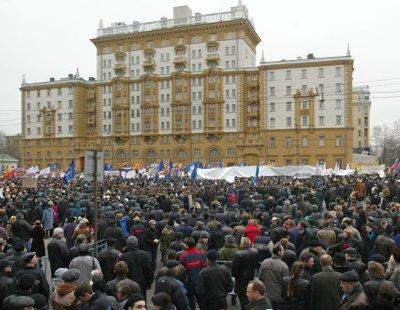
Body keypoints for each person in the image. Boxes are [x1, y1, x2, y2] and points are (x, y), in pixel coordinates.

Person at [120, 236, 153, 300]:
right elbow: (149, 270)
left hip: (128, 284)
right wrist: (149, 283)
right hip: (142, 283)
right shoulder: (144, 254)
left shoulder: (124, 256)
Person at [259, 243, 289, 310]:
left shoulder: (264, 262)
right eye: (282, 250)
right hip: (278, 298)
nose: (284, 252)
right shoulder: (284, 266)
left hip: (266, 296)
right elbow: (286, 283)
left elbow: (260, 277)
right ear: (279, 252)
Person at [179, 237, 207, 310]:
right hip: (201, 281)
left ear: (187, 245)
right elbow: (205, 266)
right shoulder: (201, 253)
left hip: (189, 282)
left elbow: (181, 270)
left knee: (191, 300)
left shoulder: (183, 256)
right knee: (202, 301)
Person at [231, 237, 259, 310]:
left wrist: (234, 275)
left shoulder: (238, 254)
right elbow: (256, 265)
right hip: (251, 278)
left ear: (242, 244)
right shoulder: (255, 252)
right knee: (250, 297)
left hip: (241, 280)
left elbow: (234, 269)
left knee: (243, 299)